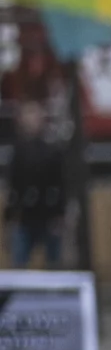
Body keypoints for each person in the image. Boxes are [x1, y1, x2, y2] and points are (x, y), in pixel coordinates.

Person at [4, 95, 73, 269]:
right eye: (27, 115)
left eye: (34, 114)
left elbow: (61, 183)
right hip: (25, 216)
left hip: (49, 214)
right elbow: (13, 185)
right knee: (19, 263)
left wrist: (60, 213)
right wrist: (10, 217)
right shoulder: (17, 150)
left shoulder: (52, 149)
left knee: (54, 264)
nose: (31, 119)